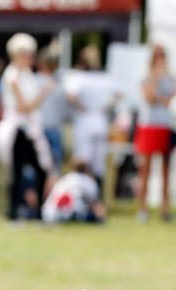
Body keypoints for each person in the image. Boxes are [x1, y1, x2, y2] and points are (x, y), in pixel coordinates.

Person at [0, 33, 55, 221]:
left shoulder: (27, 74)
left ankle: (37, 211)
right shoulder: (12, 76)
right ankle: (15, 211)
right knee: (18, 171)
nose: (30, 58)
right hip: (18, 129)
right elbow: (24, 106)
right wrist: (44, 93)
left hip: (31, 129)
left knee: (41, 170)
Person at [134, 43, 176, 222]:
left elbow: (174, 98)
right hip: (149, 125)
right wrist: (156, 78)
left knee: (166, 169)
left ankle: (165, 208)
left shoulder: (171, 77)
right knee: (146, 168)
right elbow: (150, 97)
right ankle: (143, 207)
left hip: (166, 125)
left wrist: (163, 98)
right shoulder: (146, 76)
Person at [66, 45, 119, 187]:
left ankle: (84, 191)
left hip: (85, 121)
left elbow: (70, 96)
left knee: (84, 158)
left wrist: (82, 107)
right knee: (98, 160)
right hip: (100, 120)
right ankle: (96, 193)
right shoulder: (105, 78)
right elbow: (118, 95)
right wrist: (105, 108)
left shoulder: (79, 78)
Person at [41, 158, 107, 223]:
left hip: (49, 212)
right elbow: (95, 203)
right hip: (70, 214)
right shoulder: (88, 181)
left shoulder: (65, 179)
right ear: (86, 169)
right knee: (94, 216)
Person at [36, 49, 67, 172]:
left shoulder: (34, 81)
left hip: (39, 128)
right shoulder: (60, 83)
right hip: (54, 127)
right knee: (54, 166)